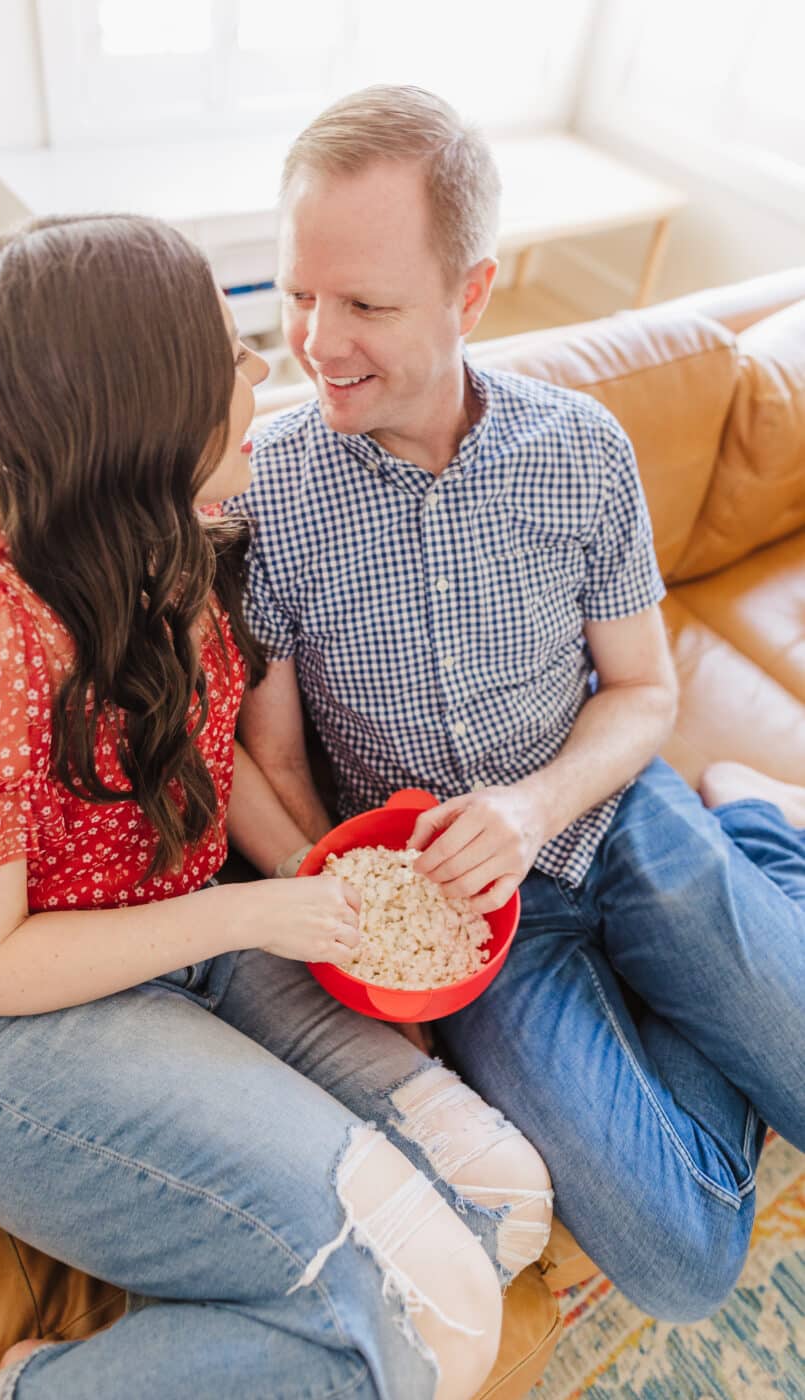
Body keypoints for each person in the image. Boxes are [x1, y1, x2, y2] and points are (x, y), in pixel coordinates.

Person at [0, 214, 553, 1400]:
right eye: (227, 350)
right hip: (9, 1031)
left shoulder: (178, 537)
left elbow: (189, 753)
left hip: (186, 951)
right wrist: (254, 921)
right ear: (144, 407)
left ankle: (245, 1303)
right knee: (439, 1317)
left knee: (509, 1204)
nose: (263, 368)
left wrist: (318, 876)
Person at [231, 85, 805, 1323]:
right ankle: (746, 899)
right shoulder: (268, 493)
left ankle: (759, 835)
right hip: (471, 922)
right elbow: (270, 765)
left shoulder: (580, 449)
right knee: (681, 1264)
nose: (318, 343)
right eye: (297, 293)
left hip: (614, 812)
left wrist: (533, 798)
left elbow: (647, 687)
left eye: (367, 304)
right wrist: (367, 928)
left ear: (471, 294)